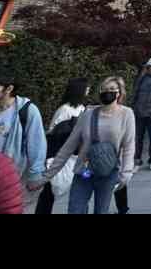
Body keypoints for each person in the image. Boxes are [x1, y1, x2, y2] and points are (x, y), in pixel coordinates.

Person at [34, 77, 136, 214]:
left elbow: (129, 146)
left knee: (101, 210)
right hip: (85, 171)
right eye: (104, 89)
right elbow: (68, 146)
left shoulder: (126, 114)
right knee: (75, 209)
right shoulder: (88, 114)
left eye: (112, 89)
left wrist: (126, 174)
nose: (108, 92)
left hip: (108, 173)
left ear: (119, 93)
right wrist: (47, 176)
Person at [0, 75, 47, 196]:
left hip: (8, 171)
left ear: (9, 89)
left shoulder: (27, 110)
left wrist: (36, 173)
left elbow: (36, 143)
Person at [35, 78, 88, 214]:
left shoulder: (83, 109)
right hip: (58, 157)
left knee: (80, 192)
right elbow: (53, 133)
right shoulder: (64, 110)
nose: (88, 90)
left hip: (76, 157)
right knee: (49, 192)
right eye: (86, 88)